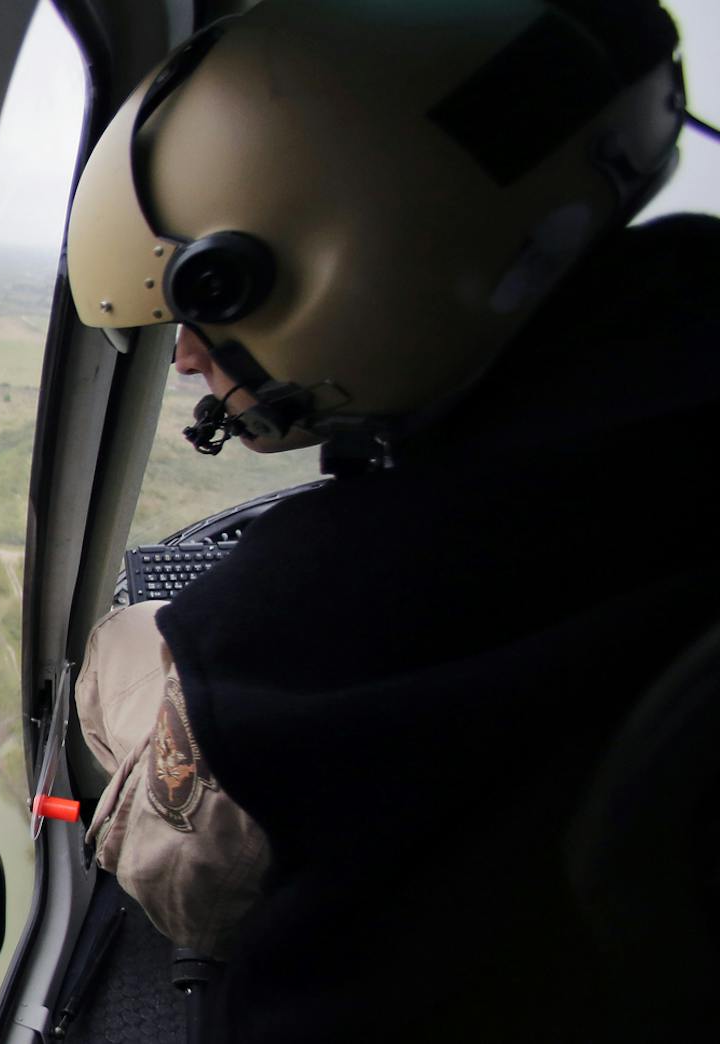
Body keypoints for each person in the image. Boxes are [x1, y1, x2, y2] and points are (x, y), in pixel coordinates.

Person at [59, 0, 720, 1039]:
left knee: (124, 643)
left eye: (204, 307)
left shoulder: (323, 611)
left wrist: (149, 667)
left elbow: (182, 882)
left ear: (346, 258)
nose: (185, 356)